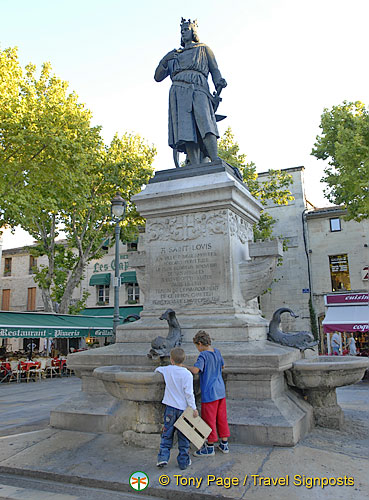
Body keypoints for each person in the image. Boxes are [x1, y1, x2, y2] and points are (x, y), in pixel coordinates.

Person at [154, 18, 227, 165]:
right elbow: (157, 77)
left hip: (198, 88)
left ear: (193, 31)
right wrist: (164, 60)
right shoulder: (175, 55)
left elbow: (214, 70)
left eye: (186, 30)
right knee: (186, 129)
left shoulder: (203, 49)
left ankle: (214, 158)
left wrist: (219, 81)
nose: (183, 33)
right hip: (178, 91)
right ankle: (194, 163)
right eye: (181, 31)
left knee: (206, 123)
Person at [186, 330, 230, 456]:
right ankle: (224, 444)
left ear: (200, 343)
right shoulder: (217, 352)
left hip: (209, 392)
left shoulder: (203, 355)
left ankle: (209, 447)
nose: (197, 349)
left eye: (196, 346)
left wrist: (184, 366)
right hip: (220, 390)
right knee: (222, 418)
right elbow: (222, 367)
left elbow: (195, 370)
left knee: (209, 420)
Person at [155, 347, 198, 470]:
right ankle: (183, 461)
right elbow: (189, 394)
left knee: (167, 433)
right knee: (184, 436)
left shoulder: (167, 370)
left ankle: (163, 457)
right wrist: (193, 408)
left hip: (170, 408)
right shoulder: (187, 374)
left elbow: (157, 369)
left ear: (171, 360)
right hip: (183, 409)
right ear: (184, 360)